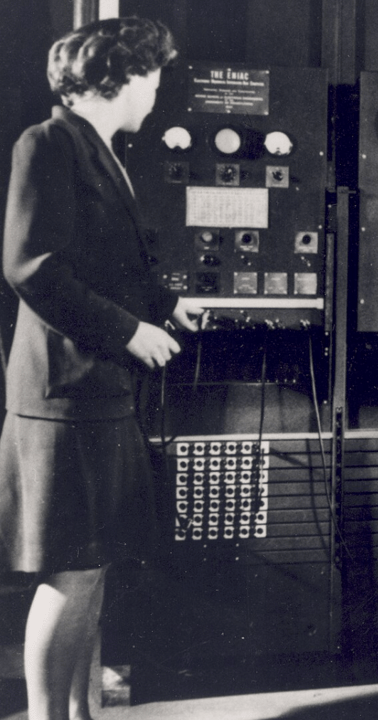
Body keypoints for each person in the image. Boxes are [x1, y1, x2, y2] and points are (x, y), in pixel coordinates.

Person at [0, 18, 203, 720]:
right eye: (152, 77)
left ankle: (79, 713)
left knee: (92, 569)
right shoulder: (49, 143)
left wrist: (167, 308)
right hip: (65, 393)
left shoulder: (99, 150)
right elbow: (33, 265)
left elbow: (104, 263)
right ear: (119, 77)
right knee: (73, 572)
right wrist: (131, 332)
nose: (156, 91)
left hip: (96, 392)